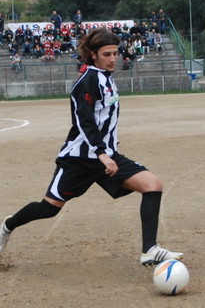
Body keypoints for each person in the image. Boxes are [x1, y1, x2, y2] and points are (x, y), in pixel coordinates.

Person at [0, 28, 183, 267]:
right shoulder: (86, 81)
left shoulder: (106, 78)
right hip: (79, 159)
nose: (112, 59)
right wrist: (100, 152)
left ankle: (149, 250)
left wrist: (109, 146)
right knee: (48, 208)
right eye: (106, 54)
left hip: (107, 155)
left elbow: (103, 118)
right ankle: (7, 226)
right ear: (93, 54)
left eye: (115, 53)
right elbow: (83, 121)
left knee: (152, 185)